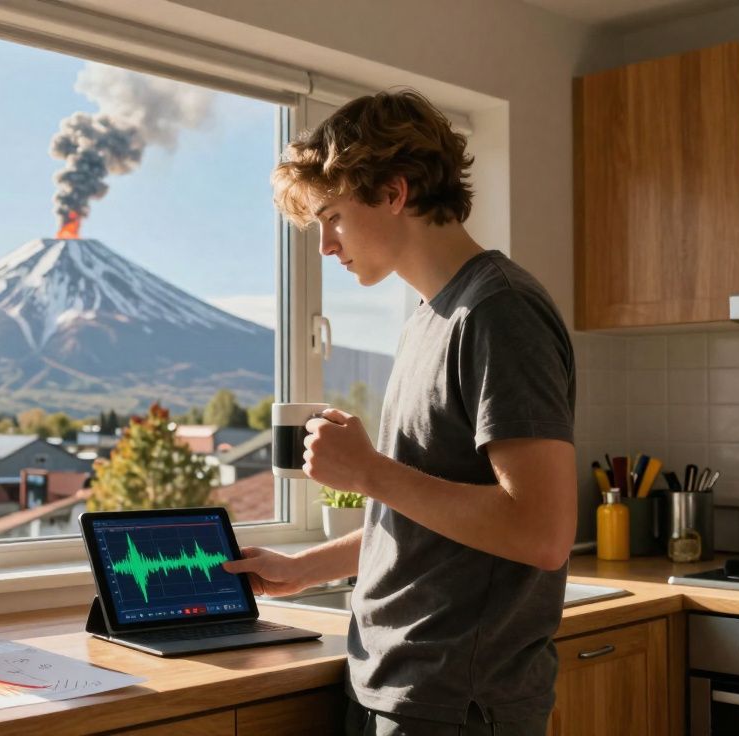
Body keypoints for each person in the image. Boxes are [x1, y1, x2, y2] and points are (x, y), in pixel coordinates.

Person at [222, 90, 576, 735]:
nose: (326, 246)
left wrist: (366, 473)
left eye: (332, 216)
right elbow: (430, 516)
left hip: (455, 699)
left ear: (393, 192)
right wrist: (303, 570)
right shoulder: (430, 316)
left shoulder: (499, 312)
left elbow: (541, 532)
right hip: (397, 681)